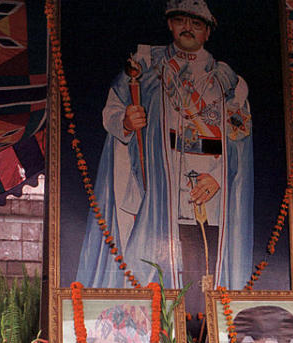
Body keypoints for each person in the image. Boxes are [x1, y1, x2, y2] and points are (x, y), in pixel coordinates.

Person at [76, 0, 253, 303]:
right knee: (154, 271)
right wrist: (127, 123)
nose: (188, 28)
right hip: (159, 194)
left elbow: (239, 137)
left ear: (207, 32)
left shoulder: (229, 82)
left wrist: (219, 178)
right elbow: (114, 110)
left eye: (196, 23)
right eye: (181, 20)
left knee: (203, 275)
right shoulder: (145, 68)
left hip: (209, 194)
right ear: (170, 24)